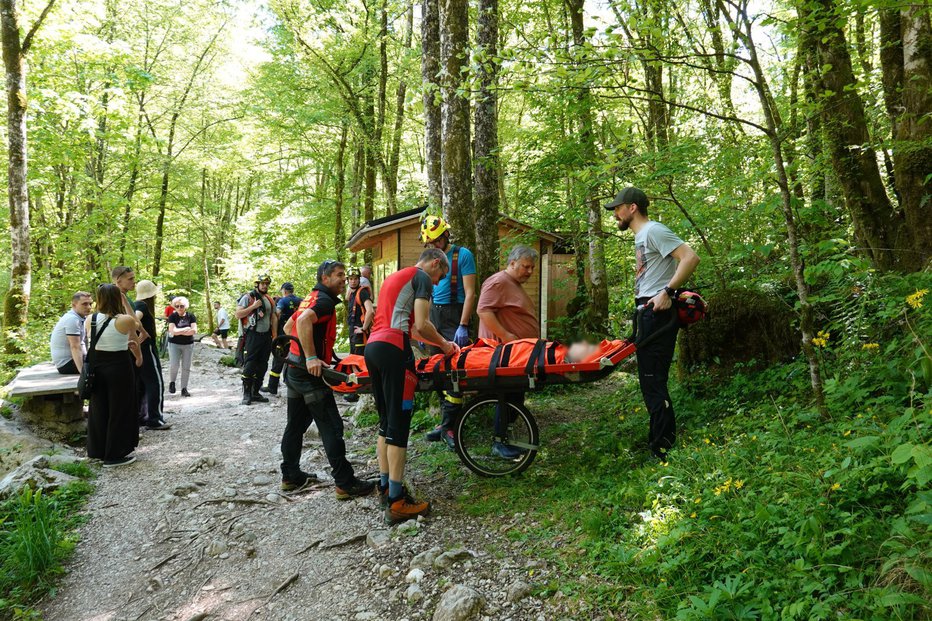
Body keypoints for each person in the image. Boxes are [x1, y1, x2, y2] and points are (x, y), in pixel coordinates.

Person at [365, 248, 459, 524]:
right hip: (394, 349)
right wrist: (445, 344)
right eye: (442, 274)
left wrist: (438, 343)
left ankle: (385, 488)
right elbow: (422, 322)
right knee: (398, 424)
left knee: (385, 423)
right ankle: (397, 502)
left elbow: (414, 328)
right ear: (435, 263)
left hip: (374, 347)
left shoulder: (396, 278)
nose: (440, 282)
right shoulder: (421, 278)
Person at [606, 186, 700, 460]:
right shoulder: (643, 236)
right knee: (650, 383)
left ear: (632, 207)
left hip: (658, 312)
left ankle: (662, 449)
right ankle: (658, 442)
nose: (615, 214)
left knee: (653, 382)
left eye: (617, 208)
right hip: (647, 311)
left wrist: (668, 292)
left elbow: (690, 257)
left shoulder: (654, 230)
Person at [279, 260, 375, 498]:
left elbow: (289, 326)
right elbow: (300, 323)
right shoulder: (322, 301)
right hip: (309, 375)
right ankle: (345, 483)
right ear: (325, 279)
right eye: (339, 275)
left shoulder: (310, 297)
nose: (344, 280)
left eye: (344, 276)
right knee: (331, 426)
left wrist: (300, 355)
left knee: (296, 425)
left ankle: (290, 476)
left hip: (294, 370)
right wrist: (311, 357)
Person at [476, 244, 541, 459]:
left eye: (532, 268)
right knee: (507, 396)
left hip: (517, 355)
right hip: (503, 354)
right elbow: (483, 311)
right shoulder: (498, 282)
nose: (530, 272)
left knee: (516, 397)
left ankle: (505, 439)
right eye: (526, 267)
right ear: (512, 263)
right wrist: (506, 336)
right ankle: (498, 443)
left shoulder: (512, 283)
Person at [420, 215, 476, 447]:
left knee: (455, 370)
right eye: (430, 243)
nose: (434, 246)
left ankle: (451, 425)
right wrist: (420, 329)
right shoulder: (429, 260)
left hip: (455, 314)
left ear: (445, 234)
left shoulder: (463, 255)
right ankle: (445, 422)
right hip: (433, 314)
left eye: (436, 241)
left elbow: (471, 292)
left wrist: (463, 325)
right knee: (438, 369)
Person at [85, 284, 143, 467]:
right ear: (117, 298)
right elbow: (138, 325)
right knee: (120, 410)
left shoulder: (90, 319)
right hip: (119, 367)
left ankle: (98, 451)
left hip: (97, 368)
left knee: (99, 409)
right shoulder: (123, 320)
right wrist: (126, 302)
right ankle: (115, 454)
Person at [236, 274, 278, 405]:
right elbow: (238, 314)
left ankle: (255, 392)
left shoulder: (269, 300)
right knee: (250, 364)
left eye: (267, 283)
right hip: (252, 335)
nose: (265, 285)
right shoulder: (248, 297)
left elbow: (273, 317)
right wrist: (253, 307)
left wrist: (275, 336)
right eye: (262, 283)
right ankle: (246, 394)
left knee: (263, 364)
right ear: (257, 284)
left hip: (266, 336)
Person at [134, 281, 170, 430]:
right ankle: (155, 418)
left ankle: (142, 416)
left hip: (139, 350)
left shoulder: (134, 304)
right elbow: (134, 320)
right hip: (146, 349)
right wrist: (142, 333)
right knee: (155, 382)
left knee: (142, 384)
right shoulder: (142, 306)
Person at [263, 282, 301, 395]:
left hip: (283, 335)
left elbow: (277, 313)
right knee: (295, 359)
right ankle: (293, 385)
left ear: (284, 291)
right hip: (298, 334)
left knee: (278, 359)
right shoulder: (301, 300)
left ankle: (272, 386)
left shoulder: (282, 301)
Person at [50, 292, 93, 375]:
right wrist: (83, 372)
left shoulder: (80, 317)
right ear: (74, 305)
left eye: (90, 304)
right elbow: (75, 347)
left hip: (72, 361)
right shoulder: (72, 320)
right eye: (84, 304)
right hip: (67, 364)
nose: (89, 307)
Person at [167, 296, 197, 397]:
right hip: (174, 344)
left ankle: (184, 388)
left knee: (186, 367)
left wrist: (178, 331)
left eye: (182, 306)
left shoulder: (191, 316)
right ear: (174, 307)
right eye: (177, 306)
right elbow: (172, 331)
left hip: (188, 345)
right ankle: (172, 382)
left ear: (186, 306)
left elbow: (194, 331)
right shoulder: (172, 316)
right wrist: (186, 329)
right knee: (174, 365)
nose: (179, 308)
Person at [346, 268, 373, 356]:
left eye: (355, 279)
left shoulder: (362, 292)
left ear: (359, 280)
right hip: (353, 330)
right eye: (351, 279)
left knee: (359, 359)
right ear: (348, 280)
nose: (353, 281)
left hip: (359, 332)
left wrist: (363, 328)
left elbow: (370, 311)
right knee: (353, 357)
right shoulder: (352, 293)